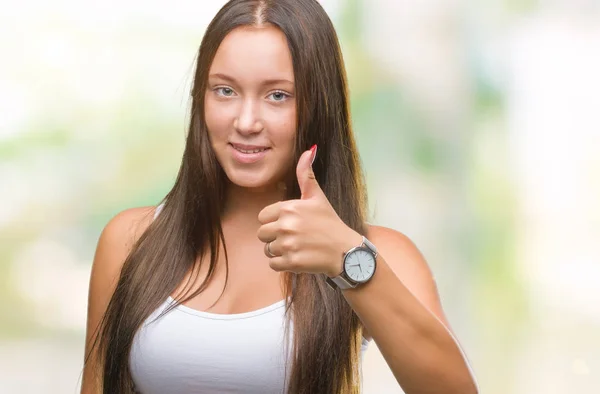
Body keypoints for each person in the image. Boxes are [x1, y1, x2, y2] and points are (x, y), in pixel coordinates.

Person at [81, 0, 478, 393]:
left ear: (319, 105)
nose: (246, 122)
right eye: (225, 90)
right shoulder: (131, 240)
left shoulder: (375, 253)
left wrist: (346, 258)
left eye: (277, 96)